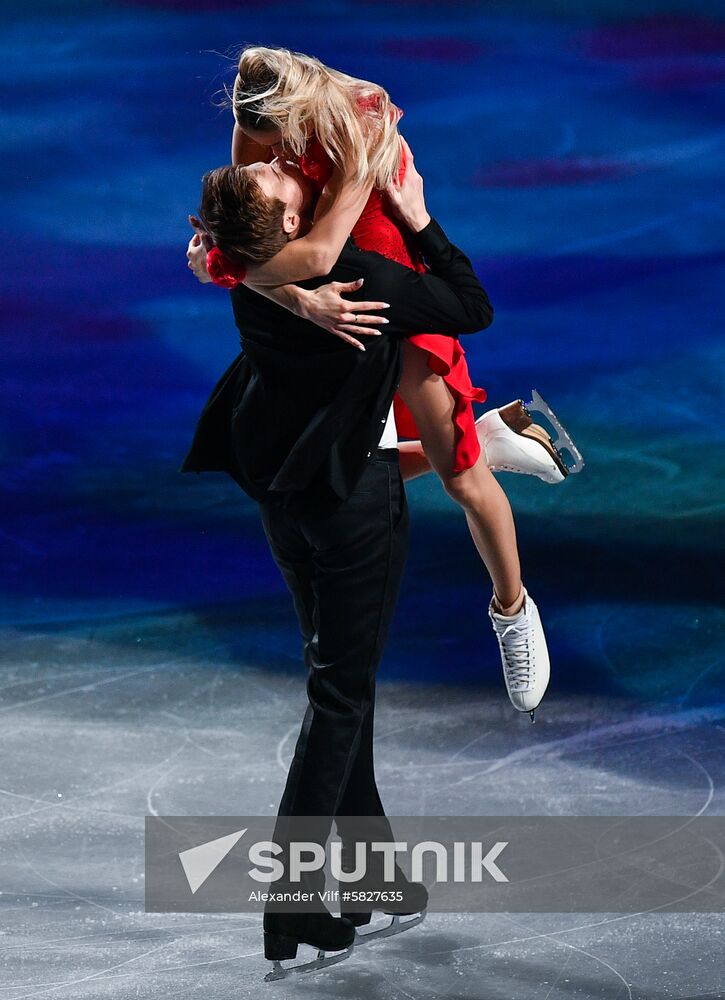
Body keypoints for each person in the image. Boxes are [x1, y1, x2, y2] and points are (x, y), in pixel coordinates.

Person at [187, 45, 583, 719]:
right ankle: (480, 440)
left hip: (383, 286)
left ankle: (512, 610)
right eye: (262, 141)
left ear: (300, 112)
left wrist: (246, 275)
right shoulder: (259, 120)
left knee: (460, 480)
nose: (271, 156)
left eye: (280, 141)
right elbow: (256, 241)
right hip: (329, 296)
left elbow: (312, 253)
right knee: (321, 469)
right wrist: (291, 296)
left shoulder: (355, 128)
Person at [181, 147, 503, 977]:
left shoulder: (240, 262)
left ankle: (372, 879)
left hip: (278, 492)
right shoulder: (358, 282)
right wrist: (420, 215)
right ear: (291, 223)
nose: (283, 166)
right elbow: (471, 306)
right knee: (339, 695)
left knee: (337, 684)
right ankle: (289, 900)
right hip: (349, 500)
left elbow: (222, 247)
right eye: (275, 180)